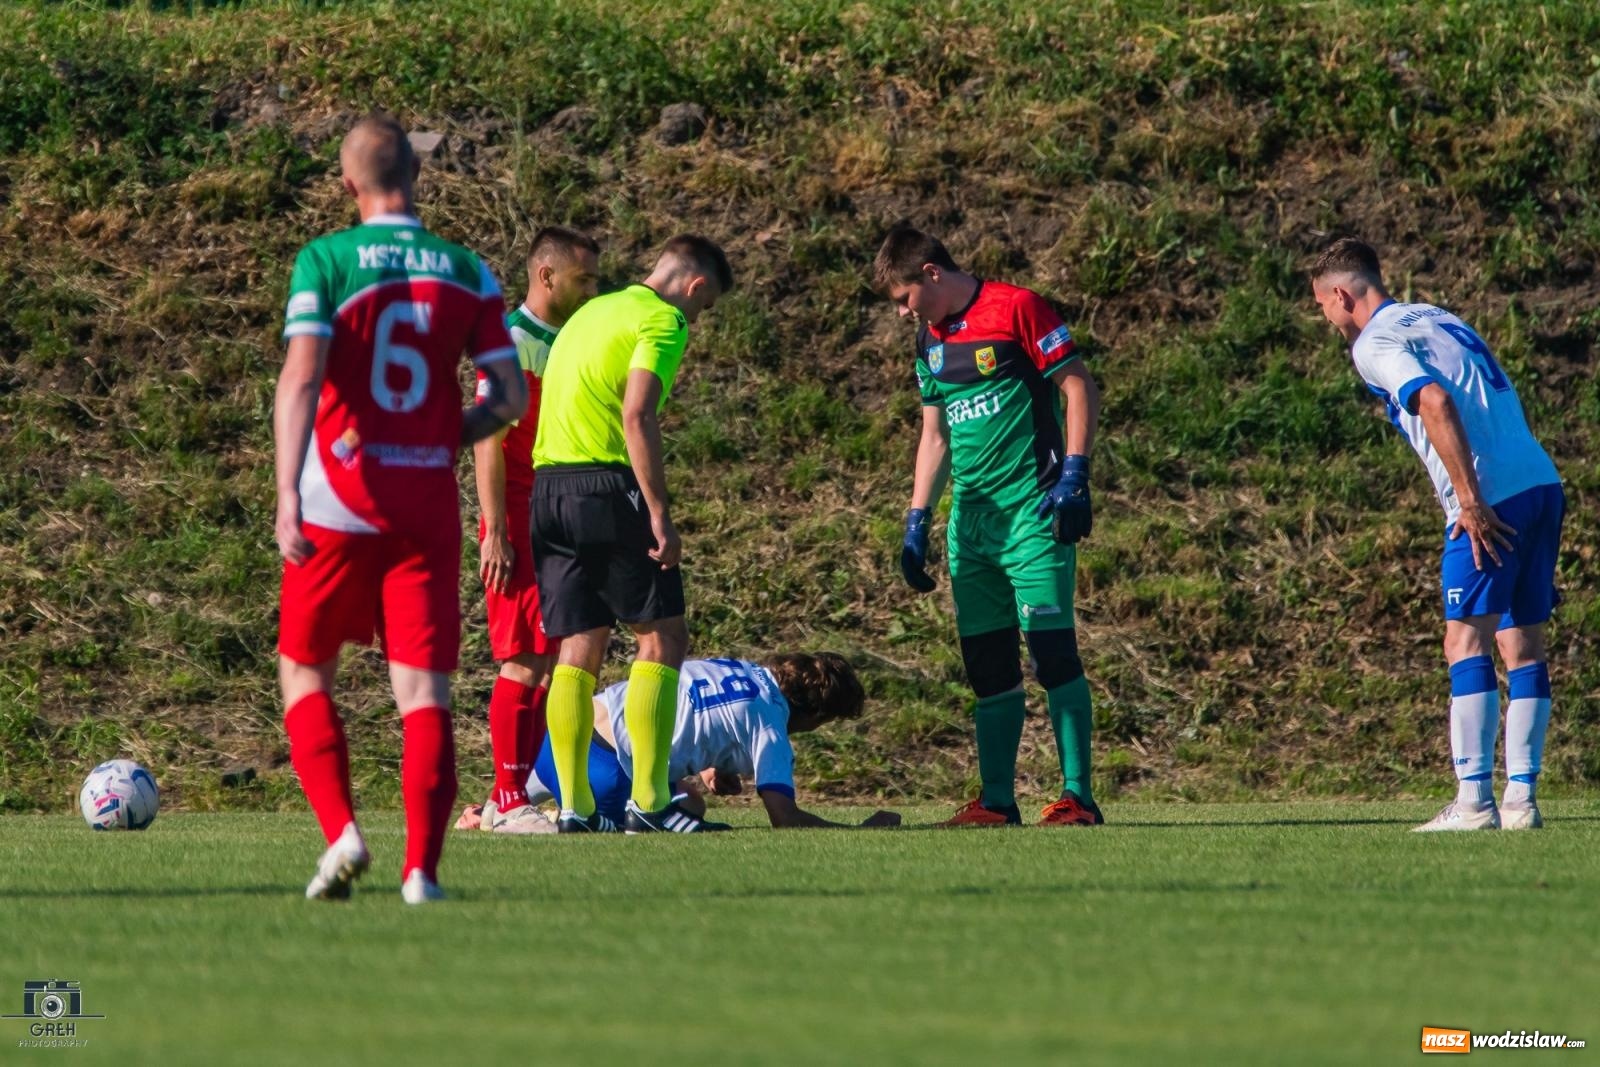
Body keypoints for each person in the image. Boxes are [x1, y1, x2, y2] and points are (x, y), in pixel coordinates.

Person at [275, 114, 528, 904]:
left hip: (336, 500)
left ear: (348, 183)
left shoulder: (326, 260)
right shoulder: (466, 270)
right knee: (424, 693)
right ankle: (422, 872)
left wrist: (286, 492)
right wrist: (444, 435)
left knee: (304, 668)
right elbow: (509, 394)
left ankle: (343, 832)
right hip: (424, 506)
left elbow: (301, 379)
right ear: (415, 179)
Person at [1310, 237, 1564, 832]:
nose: (1324, 317)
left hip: (1490, 496)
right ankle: (1522, 801)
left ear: (1342, 295)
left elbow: (1433, 398)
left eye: (1322, 305)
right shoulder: (1436, 316)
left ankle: (1474, 802)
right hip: (1539, 482)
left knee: (1464, 643)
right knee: (1522, 647)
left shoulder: (1374, 341)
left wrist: (1470, 500)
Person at [873, 224, 1103, 828]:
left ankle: (1077, 797)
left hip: (1034, 511)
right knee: (988, 666)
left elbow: (1077, 385)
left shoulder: (1017, 308)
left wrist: (1075, 473)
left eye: (903, 298)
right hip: (971, 528)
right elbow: (935, 433)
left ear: (930, 274)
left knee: (1052, 653)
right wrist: (918, 517)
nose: (902, 313)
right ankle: (998, 801)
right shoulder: (928, 341)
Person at [531, 234, 733, 834]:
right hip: (604, 487)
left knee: (577, 648)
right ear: (695, 287)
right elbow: (637, 412)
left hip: (547, 490)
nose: (699, 316)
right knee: (663, 636)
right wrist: (659, 511)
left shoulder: (592, 311)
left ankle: (574, 809)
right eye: (707, 304)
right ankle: (650, 803)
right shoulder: (664, 320)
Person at [468, 226, 600, 835]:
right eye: (585, 279)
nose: (592, 289)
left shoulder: (572, 339)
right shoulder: (511, 341)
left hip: (555, 510)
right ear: (546, 276)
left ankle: (506, 796)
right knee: (522, 658)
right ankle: (508, 797)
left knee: (548, 660)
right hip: (518, 514)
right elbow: (487, 443)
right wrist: (495, 529)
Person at [456, 654, 900, 830]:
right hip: (604, 773)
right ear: (818, 715)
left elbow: (684, 713)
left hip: (562, 734)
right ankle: (553, 821)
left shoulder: (735, 666)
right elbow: (784, 818)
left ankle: (496, 807)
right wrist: (860, 830)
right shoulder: (772, 725)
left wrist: (706, 765)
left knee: (677, 781)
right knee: (689, 805)